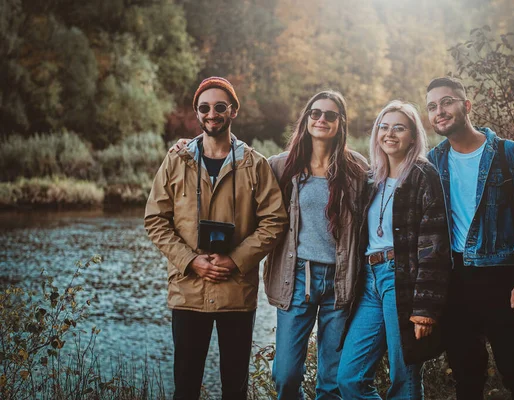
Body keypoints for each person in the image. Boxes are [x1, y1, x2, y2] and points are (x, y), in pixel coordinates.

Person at [144, 76, 287, 400]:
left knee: (234, 389)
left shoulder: (255, 164)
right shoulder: (176, 160)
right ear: (196, 113)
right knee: (185, 387)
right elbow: (155, 219)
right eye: (204, 107)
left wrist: (236, 260)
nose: (212, 113)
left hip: (236, 291)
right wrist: (190, 261)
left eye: (220, 107)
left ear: (233, 111)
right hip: (188, 292)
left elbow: (275, 220)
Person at [425, 76, 514, 400]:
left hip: (502, 278)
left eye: (447, 102)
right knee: (466, 376)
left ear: (466, 106)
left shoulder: (511, 155)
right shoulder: (432, 162)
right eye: (432, 106)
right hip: (454, 278)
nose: (440, 111)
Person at [337, 100, 451, 399]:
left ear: (413, 136)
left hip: (403, 280)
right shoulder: (370, 179)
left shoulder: (423, 176)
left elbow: (434, 246)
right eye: (383, 127)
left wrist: (424, 308)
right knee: (349, 377)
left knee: (405, 375)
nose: (390, 134)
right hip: (370, 282)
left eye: (399, 128)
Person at [264, 90, 369, 399]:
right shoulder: (280, 167)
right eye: (316, 113)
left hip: (340, 282)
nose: (322, 119)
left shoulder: (357, 170)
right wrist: (189, 148)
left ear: (341, 123)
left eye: (330, 115)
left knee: (331, 380)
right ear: (307, 119)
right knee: (285, 374)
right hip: (296, 277)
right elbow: (239, 175)